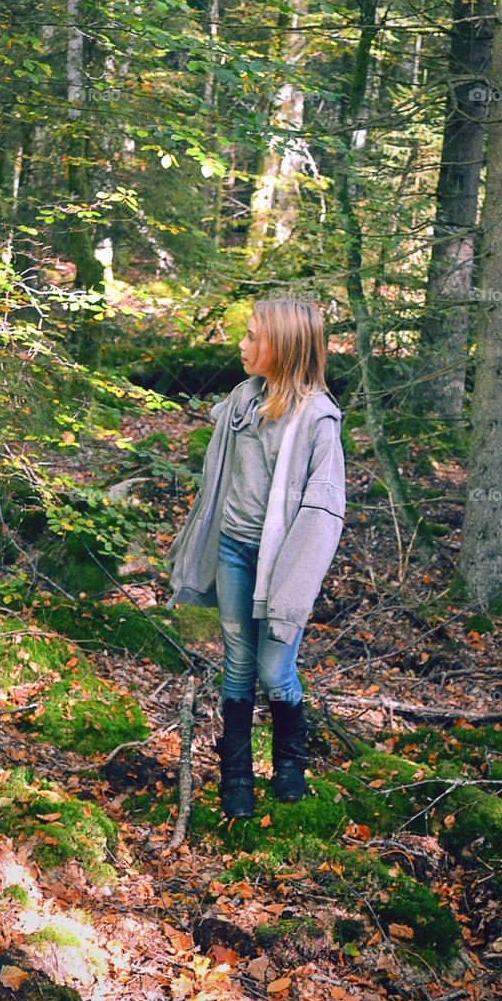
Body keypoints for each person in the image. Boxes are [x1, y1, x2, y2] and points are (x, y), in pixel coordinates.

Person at [165, 298, 346, 819]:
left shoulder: (317, 418)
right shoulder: (243, 401)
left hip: (281, 563)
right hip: (233, 551)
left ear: (284, 347)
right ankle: (236, 775)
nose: (242, 346)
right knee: (238, 664)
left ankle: (291, 761)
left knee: (275, 670)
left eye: (252, 337)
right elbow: (217, 483)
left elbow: (323, 512)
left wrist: (293, 590)